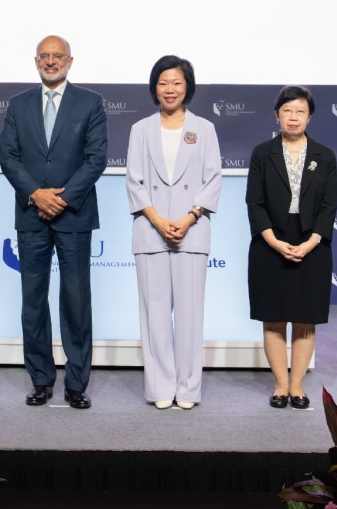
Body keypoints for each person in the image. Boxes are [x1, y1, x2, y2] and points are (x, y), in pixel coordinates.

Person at [0, 35, 108, 410]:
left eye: (57, 56)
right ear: (35, 62)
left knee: (76, 301)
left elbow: (96, 159)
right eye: (44, 56)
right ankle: (41, 380)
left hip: (73, 215)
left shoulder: (91, 103)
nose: (50, 61)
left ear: (70, 61)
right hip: (31, 213)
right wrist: (37, 194)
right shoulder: (17, 105)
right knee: (33, 300)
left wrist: (60, 198)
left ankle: (76, 382)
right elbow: (8, 157)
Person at [125, 56, 222, 410]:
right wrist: (155, 218)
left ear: (187, 87)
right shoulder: (141, 130)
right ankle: (160, 385)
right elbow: (134, 181)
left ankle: (189, 388)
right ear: (155, 87)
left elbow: (213, 179)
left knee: (190, 314)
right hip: (150, 232)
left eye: (177, 83)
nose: (170, 89)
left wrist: (189, 216)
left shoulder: (205, 129)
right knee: (154, 314)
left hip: (191, 233)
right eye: (164, 82)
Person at [245, 85, 337, 409]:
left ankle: (297, 385)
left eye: (300, 111)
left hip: (312, 242)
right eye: (287, 110)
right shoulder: (262, 153)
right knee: (273, 317)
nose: (293, 117)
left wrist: (311, 243)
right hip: (270, 242)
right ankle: (280, 386)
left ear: (309, 116)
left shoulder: (324, 156)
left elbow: (329, 206)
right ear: (277, 115)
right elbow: (254, 204)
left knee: (304, 317)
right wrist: (274, 241)